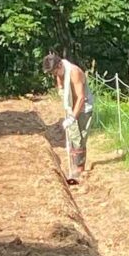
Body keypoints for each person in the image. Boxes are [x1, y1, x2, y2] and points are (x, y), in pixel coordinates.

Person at [44, 51, 93, 183]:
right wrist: (62, 95)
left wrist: (72, 118)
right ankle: (73, 167)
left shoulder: (74, 72)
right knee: (72, 137)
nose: (54, 75)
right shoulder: (61, 72)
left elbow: (81, 97)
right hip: (72, 107)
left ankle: (79, 171)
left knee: (80, 139)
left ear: (59, 65)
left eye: (54, 72)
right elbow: (60, 84)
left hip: (83, 109)